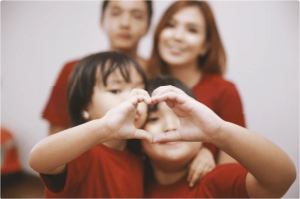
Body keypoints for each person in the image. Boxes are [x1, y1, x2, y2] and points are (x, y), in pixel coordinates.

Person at [142, 76, 296, 199]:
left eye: (180, 116)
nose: (170, 126)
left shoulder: (217, 181)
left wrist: (217, 132)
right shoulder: (135, 186)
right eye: (154, 119)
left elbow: (281, 178)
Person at [29, 51, 152, 199]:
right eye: (115, 90)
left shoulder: (138, 158)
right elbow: (38, 160)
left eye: (139, 90)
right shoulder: (81, 151)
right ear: (84, 106)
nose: (132, 99)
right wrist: (105, 128)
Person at [147, 0, 244, 164]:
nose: (177, 37)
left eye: (192, 30)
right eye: (170, 25)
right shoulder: (142, 83)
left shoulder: (224, 91)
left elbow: (233, 165)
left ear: (205, 45)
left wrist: (206, 153)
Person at [42, 0, 152, 135]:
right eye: (116, 13)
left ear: (148, 26)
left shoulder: (156, 70)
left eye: (137, 16)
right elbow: (56, 133)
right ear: (102, 21)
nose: (125, 23)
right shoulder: (74, 70)